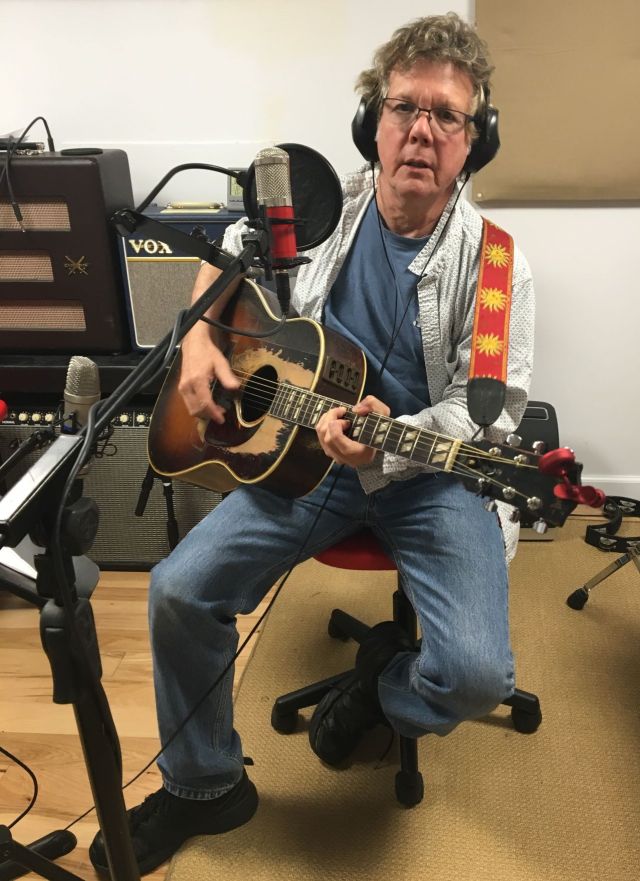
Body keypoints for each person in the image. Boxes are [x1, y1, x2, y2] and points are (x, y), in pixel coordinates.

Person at [90, 12, 534, 876]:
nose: (423, 130)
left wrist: (386, 447)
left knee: (476, 675)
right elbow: (226, 253)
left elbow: (486, 421)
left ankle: (382, 689)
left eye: (449, 116)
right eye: (407, 106)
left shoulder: (497, 267)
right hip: (303, 455)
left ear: (474, 143)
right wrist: (196, 344)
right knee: (178, 591)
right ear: (373, 121)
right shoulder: (325, 202)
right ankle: (204, 781)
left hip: (428, 477)